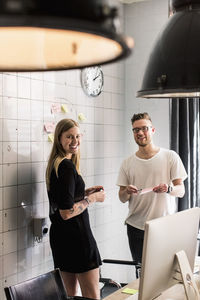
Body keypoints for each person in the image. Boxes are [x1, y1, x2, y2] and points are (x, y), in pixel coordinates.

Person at [116, 112, 187, 268]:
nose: (140, 133)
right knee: (141, 274)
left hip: (164, 226)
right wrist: (127, 191)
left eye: (144, 128)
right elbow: (121, 198)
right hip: (136, 228)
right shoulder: (127, 163)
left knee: (165, 272)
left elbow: (181, 191)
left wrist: (168, 188)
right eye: (136, 130)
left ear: (152, 130)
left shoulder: (170, 156)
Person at [46, 118, 105, 299]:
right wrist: (92, 199)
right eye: (69, 137)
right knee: (92, 296)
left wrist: (83, 192)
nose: (75, 141)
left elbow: (64, 198)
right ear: (59, 139)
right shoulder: (67, 166)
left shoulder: (55, 164)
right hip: (78, 239)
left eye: (78, 136)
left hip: (61, 238)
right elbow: (66, 212)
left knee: (69, 296)